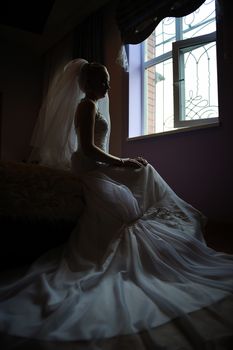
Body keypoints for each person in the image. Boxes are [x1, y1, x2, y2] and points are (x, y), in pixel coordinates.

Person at [0, 59, 232, 346]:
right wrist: (123, 161)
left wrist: (124, 164)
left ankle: (166, 218)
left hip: (96, 166)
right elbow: (87, 148)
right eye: (103, 80)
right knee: (139, 178)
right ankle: (161, 221)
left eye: (108, 80)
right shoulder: (86, 105)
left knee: (143, 170)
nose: (108, 86)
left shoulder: (93, 105)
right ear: (87, 84)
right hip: (89, 168)